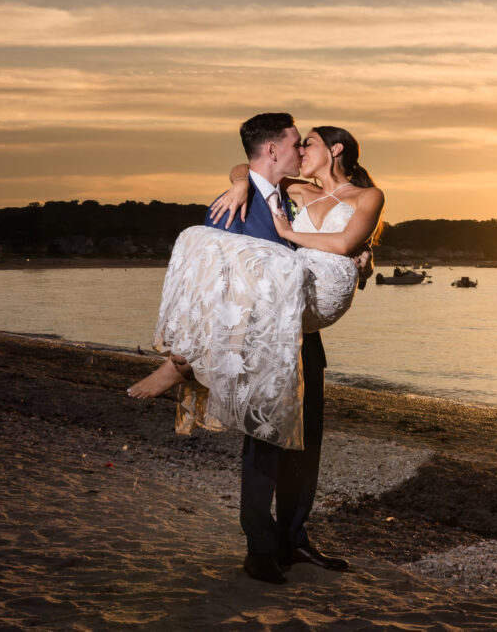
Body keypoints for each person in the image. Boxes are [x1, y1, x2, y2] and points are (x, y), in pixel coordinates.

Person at [129, 113, 383, 584]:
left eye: (308, 143)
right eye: (296, 142)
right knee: (264, 445)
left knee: (304, 446)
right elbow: (218, 277)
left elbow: (347, 238)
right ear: (274, 150)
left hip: (306, 341)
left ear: (336, 150)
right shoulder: (245, 202)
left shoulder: (308, 194)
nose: (301, 150)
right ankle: (260, 548)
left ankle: (294, 538)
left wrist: (362, 260)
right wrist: (242, 181)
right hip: (258, 343)